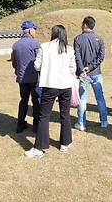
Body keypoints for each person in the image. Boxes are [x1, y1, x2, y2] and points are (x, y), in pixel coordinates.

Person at [25, 25, 76, 158]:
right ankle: (65, 143)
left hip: (50, 84)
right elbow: (73, 68)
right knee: (65, 114)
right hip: (65, 86)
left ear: (53, 33)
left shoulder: (44, 47)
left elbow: (37, 65)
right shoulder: (69, 49)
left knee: (44, 116)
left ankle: (40, 147)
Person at [74, 16, 108, 130]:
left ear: (84, 25)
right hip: (96, 72)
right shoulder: (99, 39)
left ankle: (81, 123)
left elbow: (77, 56)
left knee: (82, 98)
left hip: (83, 74)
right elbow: (101, 57)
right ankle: (104, 121)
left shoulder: (78, 39)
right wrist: (91, 67)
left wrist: (82, 68)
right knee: (100, 98)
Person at [11, 20, 41, 133]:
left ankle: (20, 125)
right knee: (36, 101)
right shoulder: (35, 44)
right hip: (34, 78)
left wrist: (18, 71)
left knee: (23, 100)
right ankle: (36, 126)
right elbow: (39, 61)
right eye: (34, 29)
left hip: (21, 78)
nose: (35, 31)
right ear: (29, 30)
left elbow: (14, 63)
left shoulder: (16, 45)